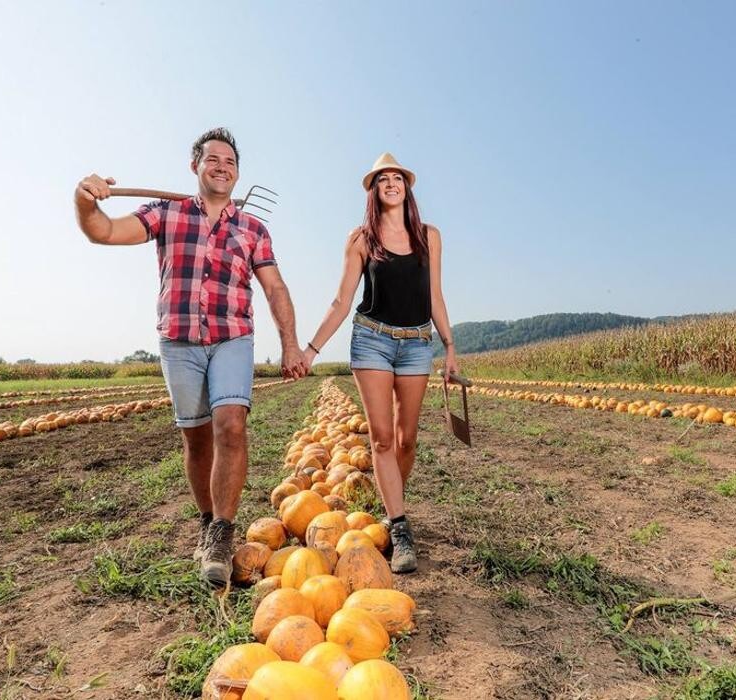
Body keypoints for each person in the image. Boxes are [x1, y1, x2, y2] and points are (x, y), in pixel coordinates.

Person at [73, 128, 307, 586]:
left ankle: (222, 530)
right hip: (178, 342)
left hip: (231, 337)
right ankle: (206, 521)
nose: (223, 168)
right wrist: (85, 201)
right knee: (197, 440)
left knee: (231, 426)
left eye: (231, 163)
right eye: (213, 160)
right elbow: (102, 231)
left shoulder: (253, 228)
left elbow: (275, 287)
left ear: (237, 174)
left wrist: (290, 342)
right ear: (194, 166)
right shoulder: (166, 214)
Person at [304, 152, 459, 574]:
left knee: (407, 440)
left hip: (416, 344)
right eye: (382, 179)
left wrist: (449, 346)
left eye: (397, 178)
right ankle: (401, 525)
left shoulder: (430, 236)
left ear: (407, 188)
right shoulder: (360, 238)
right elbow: (341, 300)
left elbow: (436, 297)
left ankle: (393, 503)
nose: (391, 183)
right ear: (374, 190)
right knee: (383, 440)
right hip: (371, 340)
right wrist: (311, 349)